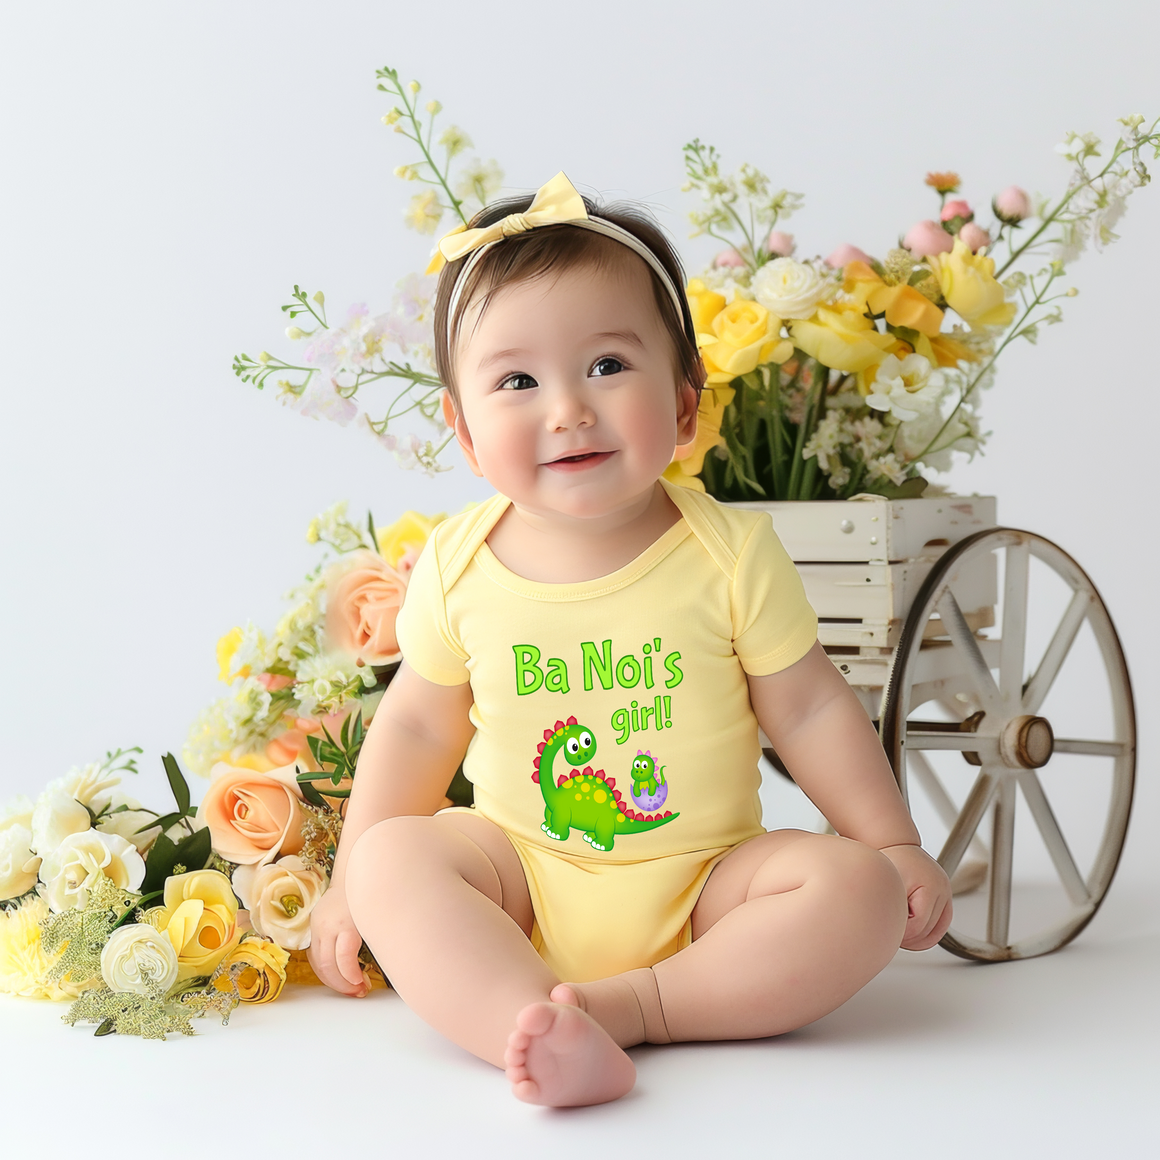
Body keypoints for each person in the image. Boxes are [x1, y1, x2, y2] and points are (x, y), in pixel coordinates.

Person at [307, 173, 953, 1107]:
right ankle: (524, 1019)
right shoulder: (456, 564)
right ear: (464, 431)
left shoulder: (728, 555)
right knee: (390, 862)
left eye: (608, 366)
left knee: (854, 893)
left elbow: (810, 705)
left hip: (709, 889)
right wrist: (345, 883)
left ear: (687, 405)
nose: (568, 408)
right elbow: (413, 732)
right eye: (518, 381)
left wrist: (889, 842)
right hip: (517, 877)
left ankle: (631, 1008)